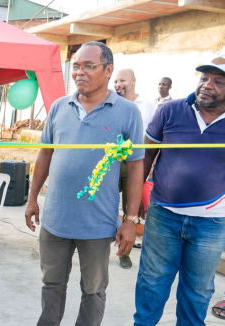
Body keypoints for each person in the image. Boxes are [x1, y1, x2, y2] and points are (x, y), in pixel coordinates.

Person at [25, 41, 144, 326]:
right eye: (76, 67)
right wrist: (32, 199)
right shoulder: (59, 107)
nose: (80, 73)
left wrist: (130, 219)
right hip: (55, 220)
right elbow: (45, 154)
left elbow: (136, 165)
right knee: (51, 284)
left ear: (108, 70)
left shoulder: (127, 112)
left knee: (93, 289)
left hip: (97, 224)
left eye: (89, 66)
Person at [134, 55, 225, 325]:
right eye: (204, 78)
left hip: (212, 222)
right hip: (163, 215)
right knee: (152, 283)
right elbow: (146, 156)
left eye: (218, 81)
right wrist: (135, 200)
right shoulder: (170, 110)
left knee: (197, 291)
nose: (207, 85)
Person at [113, 68, 157, 269]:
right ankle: (95, 241)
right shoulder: (110, 102)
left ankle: (125, 252)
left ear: (133, 81)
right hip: (112, 163)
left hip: (135, 164)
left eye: (122, 80)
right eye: (115, 81)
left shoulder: (148, 105)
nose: (118, 84)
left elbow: (156, 137)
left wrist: (150, 166)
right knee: (102, 200)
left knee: (131, 208)